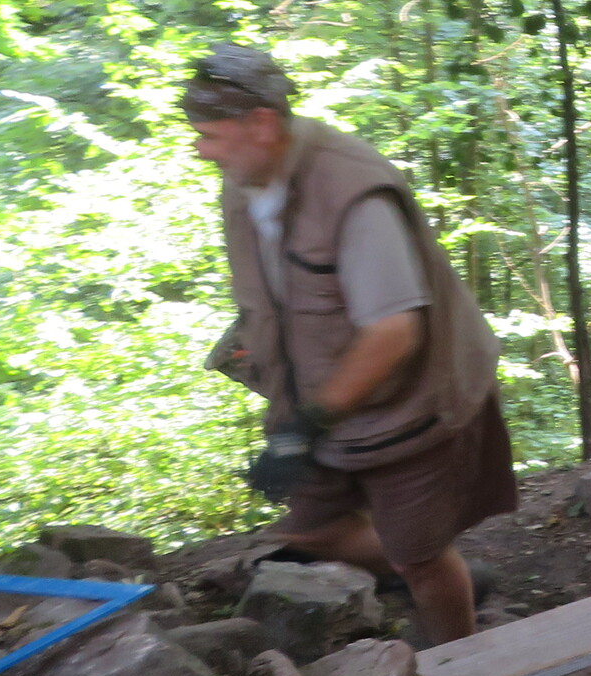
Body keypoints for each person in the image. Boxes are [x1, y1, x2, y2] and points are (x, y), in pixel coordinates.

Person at [186, 44, 513, 643]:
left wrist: (306, 425)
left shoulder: (353, 193)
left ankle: (460, 659)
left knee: (419, 558)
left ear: (261, 125)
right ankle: (451, 577)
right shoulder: (245, 180)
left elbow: (394, 332)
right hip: (317, 403)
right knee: (311, 532)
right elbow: (280, 291)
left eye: (209, 135)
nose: (200, 150)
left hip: (408, 407)